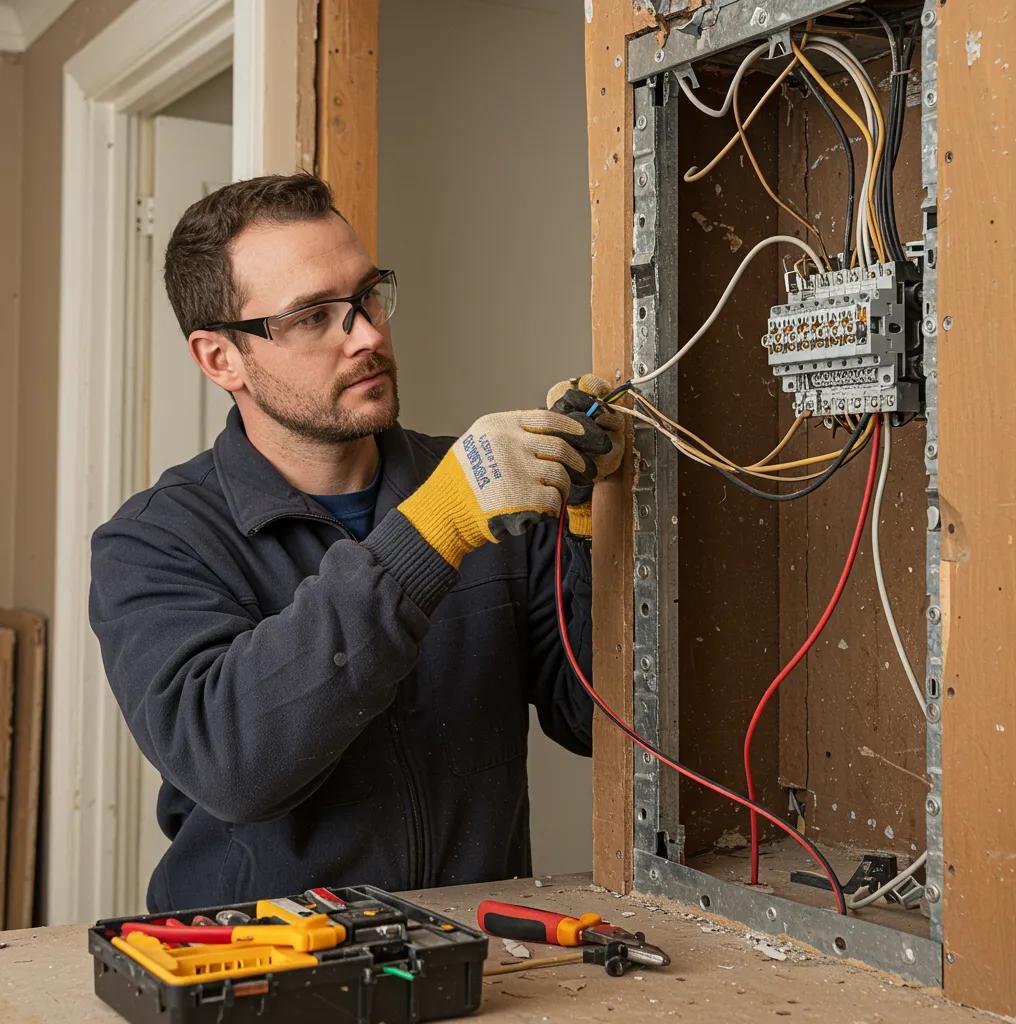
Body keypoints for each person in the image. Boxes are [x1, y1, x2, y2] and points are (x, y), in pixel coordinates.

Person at [89, 172, 624, 912]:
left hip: (470, 953)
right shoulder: (154, 544)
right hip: (260, 968)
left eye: (368, 295)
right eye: (313, 317)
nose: (368, 334)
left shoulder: (481, 490)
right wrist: (432, 532)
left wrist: (601, 529)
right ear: (220, 359)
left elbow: (596, 721)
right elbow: (232, 763)